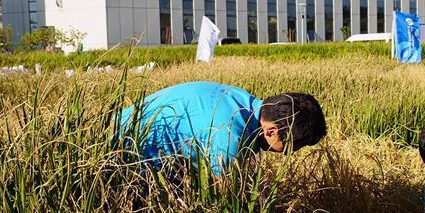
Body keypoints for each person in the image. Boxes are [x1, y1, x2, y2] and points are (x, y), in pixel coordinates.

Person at [118, 81, 326, 176]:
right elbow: (219, 205)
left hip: (116, 131)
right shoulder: (229, 138)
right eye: (292, 146)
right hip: (120, 156)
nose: (289, 154)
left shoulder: (240, 101)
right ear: (271, 131)